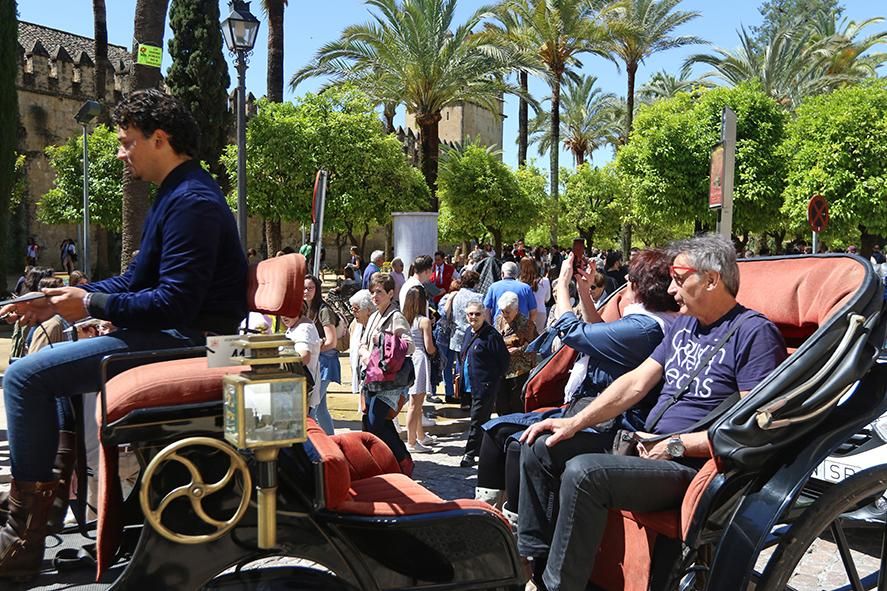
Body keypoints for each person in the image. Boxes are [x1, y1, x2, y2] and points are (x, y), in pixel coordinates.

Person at [0, 88, 247, 580]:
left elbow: (175, 303)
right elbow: (135, 283)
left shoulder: (191, 201)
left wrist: (90, 304)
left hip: (192, 342)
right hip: (182, 334)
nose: (119, 152)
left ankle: (21, 539)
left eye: (126, 141)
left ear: (160, 139)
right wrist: (58, 300)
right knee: (46, 369)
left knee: (24, 378)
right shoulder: (176, 194)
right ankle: (42, 517)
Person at [517, 234, 787, 591]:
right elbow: (634, 383)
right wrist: (573, 422)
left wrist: (675, 445)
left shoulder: (755, 334)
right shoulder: (682, 327)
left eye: (679, 279)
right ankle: (533, 569)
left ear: (711, 279)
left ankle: (560, 587)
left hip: (690, 466)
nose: (672, 291)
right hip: (647, 448)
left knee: (585, 473)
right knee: (541, 445)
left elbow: (750, 429)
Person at [475, 249, 678, 524]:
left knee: (519, 443)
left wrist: (562, 285)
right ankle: (488, 517)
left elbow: (574, 333)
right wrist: (583, 289)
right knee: (495, 430)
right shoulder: (646, 323)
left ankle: (514, 531)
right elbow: (600, 333)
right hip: (589, 408)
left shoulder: (647, 328)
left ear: (637, 286)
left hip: (612, 421)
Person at [360, 273, 415, 474]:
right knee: (372, 421)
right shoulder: (374, 315)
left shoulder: (396, 316)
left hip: (389, 381)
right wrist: (365, 352)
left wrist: (382, 341)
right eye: (372, 292)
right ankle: (392, 462)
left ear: (391, 293)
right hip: (372, 377)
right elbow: (365, 344)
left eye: (379, 292)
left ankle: (402, 459)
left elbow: (410, 346)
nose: (375, 296)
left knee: (376, 421)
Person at [459, 300, 509, 468]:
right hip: (469, 384)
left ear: (484, 315)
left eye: (477, 314)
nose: (473, 317)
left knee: (477, 420)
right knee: (479, 419)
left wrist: (491, 380)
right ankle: (484, 449)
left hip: (484, 385)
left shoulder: (492, 335)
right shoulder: (468, 331)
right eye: (470, 314)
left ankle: (470, 453)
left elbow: (503, 361)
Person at [304, 274, 341, 435]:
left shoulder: (324, 310)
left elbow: (332, 341)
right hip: (317, 362)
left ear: (317, 290)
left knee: (312, 409)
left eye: (310, 288)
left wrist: (314, 349)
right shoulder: (305, 308)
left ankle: (317, 450)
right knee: (321, 409)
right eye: (304, 288)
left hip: (325, 363)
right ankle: (334, 444)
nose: (306, 291)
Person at [403, 285, 437, 453]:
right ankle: (411, 441)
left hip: (407, 359)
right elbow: (429, 347)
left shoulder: (403, 319)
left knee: (414, 402)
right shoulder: (424, 321)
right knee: (415, 404)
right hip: (420, 359)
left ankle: (420, 436)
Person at [494, 291, 537, 417]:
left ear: (516, 309)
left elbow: (534, 344)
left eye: (507, 312)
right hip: (501, 368)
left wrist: (518, 350)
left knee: (515, 405)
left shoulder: (526, 324)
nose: (504, 314)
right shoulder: (499, 320)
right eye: (502, 311)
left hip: (518, 371)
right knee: (501, 403)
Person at [448, 269, 483, 406]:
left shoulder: (456, 295)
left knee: (460, 368)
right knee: (473, 368)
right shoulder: (478, 297)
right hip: (473, 336)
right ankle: (471, 397)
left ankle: (462, 397)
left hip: (457, 335)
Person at [282, 312, 321, 418]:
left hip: (300, 387)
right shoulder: (295, 325)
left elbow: (304, 357)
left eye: (288, 312)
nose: (284, 316)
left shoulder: (303, 328)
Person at [348, 289, 376, 412]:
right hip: (363, 379)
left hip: (376, 380)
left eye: (356, 309)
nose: (353, 313)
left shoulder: (378, 327)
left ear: (369, 310)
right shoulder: (356, 325)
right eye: (352, 309)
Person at [484, 261, 537, 325]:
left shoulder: (493, 287)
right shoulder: (526, 288)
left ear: (502, 274)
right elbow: (533, 311)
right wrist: (528, 326)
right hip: (520, 328)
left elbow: (486, 309)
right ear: (517, 274)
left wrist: (490, 326)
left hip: (499, 327)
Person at [520, 256, 550, 336]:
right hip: (540, 311)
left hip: (524, 313)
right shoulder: (545, 281)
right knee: (538, 337)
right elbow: (547, 298)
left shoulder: (518, 282)